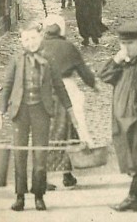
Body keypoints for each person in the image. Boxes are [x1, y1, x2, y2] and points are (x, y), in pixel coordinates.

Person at [0, 22, 78, 212]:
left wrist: (70, 110)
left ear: (40, 38)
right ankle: (20, 197)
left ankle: (39, 195)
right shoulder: (16, 60)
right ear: (21, 41)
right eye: (26, 39)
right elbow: (7, 87)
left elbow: (59, 86)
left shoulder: (49, 59)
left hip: (41, 112)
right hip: (20, 112)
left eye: (33, 38)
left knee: (40, 154)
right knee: (19, 154)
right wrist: (0, 113)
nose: (30, 42)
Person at [99, 22, 137, 212]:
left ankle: (134, 197)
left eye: (131, 44)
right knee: (129, 157)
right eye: (123, 44)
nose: (127, 48)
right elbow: (104, 76)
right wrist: (116, 60)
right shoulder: (121, 66)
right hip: (121, 121)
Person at [42, 14, 96, 190]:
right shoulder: (68, 47)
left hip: (43, 90)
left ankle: (60, 173)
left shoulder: (38, 46)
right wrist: (93, 84)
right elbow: (83, 70)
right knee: (66, 129)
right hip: (67, 88)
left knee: (48, 131)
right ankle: (63, 174)